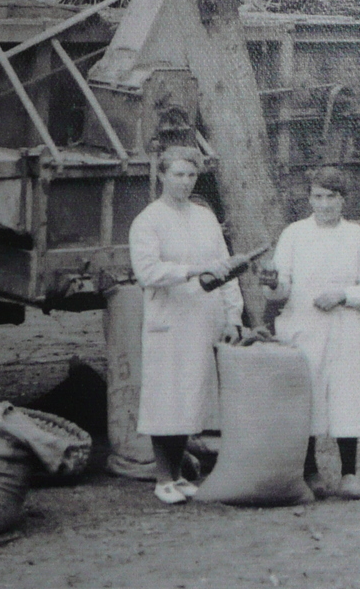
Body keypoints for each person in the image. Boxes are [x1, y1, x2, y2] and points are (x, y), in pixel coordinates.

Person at [128, 147, 245, 504]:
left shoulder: (205, 217)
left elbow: (224, 268)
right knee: (166, 398)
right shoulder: (148, 220)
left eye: (190, 175)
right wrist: (193, 270)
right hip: (169, 320)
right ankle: (163, 478)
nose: (184, 182)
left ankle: (178, 475)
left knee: (191, 397)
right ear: (162, 175)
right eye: (177, 174)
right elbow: (147, 272)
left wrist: (233, 315)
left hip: (202, 319)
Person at [262, 167, 360, 501]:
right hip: (303, 325)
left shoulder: (356, 236)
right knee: (308, 395)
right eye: (318, 196)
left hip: (343, 325)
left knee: (347, 396)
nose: (325, 204)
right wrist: (273, 283)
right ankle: (310, 471)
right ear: (309, 198)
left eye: (332, 197)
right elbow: (281, 288)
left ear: (343, 199)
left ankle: (349, 474)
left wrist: (342, 295)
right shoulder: (294, 234)